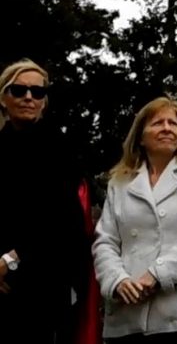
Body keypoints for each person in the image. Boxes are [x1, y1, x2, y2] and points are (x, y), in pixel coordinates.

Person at [93, 97, 177, 343]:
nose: (167, 128)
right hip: (128, 314)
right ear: (141, 136)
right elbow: (105, 241)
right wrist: (117, 280)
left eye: (173, 124)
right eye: (157, 123)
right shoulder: (119, 182)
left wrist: (157, 274)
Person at [0, 58, 92, 344]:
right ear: (4, 98)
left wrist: (10, 260)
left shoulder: (59, 150)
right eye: (19, 90)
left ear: (44, 101)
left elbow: (62, 221)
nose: (29, 97)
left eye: (37, 92)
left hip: (45, 286)